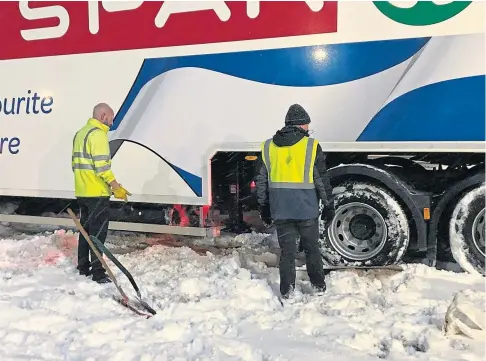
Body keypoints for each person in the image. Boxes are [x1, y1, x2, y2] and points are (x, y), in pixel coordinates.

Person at [255, 103, 335, 299]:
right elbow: (321, 179)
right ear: (301, 125)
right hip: (306, 209)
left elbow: (261, 181)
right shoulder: (311, 145)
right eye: (307, 125)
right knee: (311, 249)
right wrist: (329, 204)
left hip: (281, 210)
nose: (308, 129)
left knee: (287, 252)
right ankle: (318, 286)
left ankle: (287, 291)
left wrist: (264, 206)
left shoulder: (268, 146)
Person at [71, 103, 131, 283]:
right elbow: (102, 168)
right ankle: (98, 273)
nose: (112, 122)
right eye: (111, 118)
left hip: (82, 191)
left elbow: (75, 164)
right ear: (103, 116)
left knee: (86, 231)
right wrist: (115, 186)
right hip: (97, 192)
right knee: (98, 234)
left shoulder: (80, 133)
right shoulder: (97, 135)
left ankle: (83, 267)